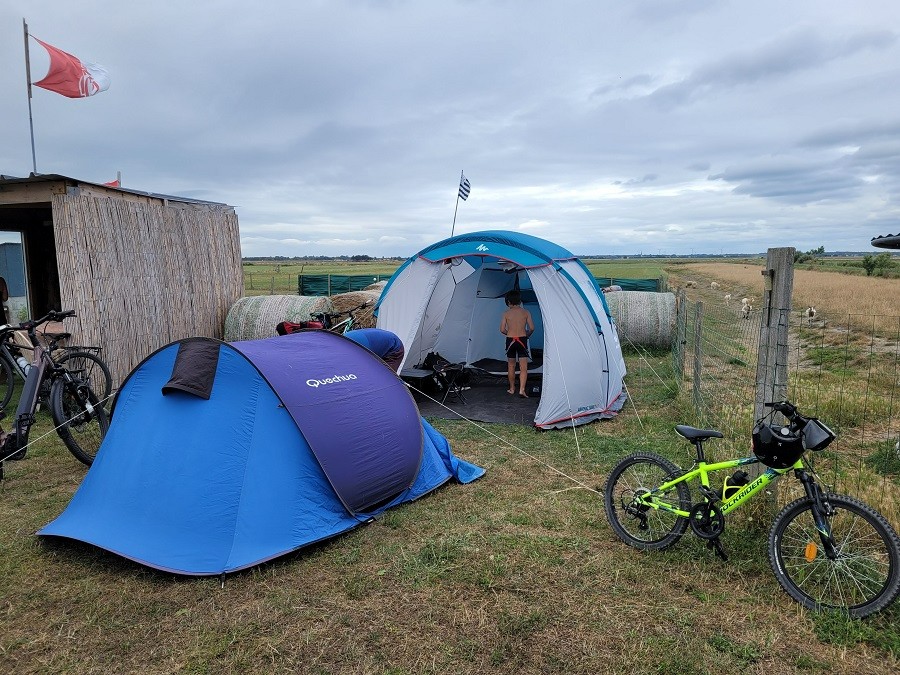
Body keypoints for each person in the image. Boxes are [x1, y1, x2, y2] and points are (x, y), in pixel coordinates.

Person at [499, 290, 533, 397]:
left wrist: (509, 333)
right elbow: (532, 328)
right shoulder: (526, 312)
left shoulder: (506, 313)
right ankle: (522, 390)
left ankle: (512, 388)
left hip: (510, 340)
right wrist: (527, 335)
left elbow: (502, 329)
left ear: (509, 301)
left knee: (511, 365)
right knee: (523, 367)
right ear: (519, 300)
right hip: (522, 339)